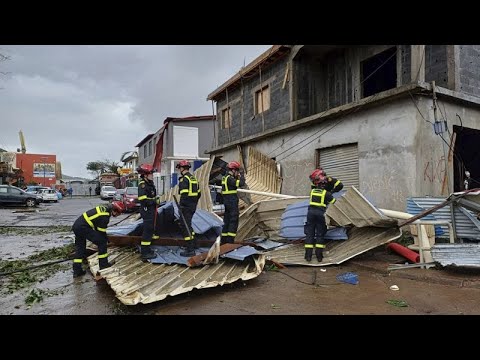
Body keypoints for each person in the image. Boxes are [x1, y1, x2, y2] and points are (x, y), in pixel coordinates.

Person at [72, 201, 126, 277]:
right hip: (83, 227)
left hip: (77, 226)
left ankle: (77, 271)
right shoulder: (105, 215)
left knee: (80, 248)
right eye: (119, 213)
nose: (118, 215)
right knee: (102, 243)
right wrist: (106, 239)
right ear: (115, 210)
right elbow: (101, 232)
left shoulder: (103, 209)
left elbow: (98, 228)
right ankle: (103, 265)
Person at [304, 169, 336, 262]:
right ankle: (319, 257)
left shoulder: (312, 191)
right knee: (320, 235)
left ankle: (308, 256)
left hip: (310, 214)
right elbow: (334, 202)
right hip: (320, 215)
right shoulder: (326, 193)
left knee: (309, 234)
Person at [176, 160, 201, 257]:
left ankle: (190, 249)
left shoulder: (184, 179)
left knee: (185, 226)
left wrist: (181, 206)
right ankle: (194, 244)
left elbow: (184, 195)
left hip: (185, 207)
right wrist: (193, 203)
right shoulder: (193, 178)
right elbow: (199, 194)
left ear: (182, 168)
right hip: (192, 206)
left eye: (179, 168)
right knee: (189, 225)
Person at [137, 164, 159, 260]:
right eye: (150, 174)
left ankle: (148, 249)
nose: (152, 175)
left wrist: (155, 200)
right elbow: (143, 199)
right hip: (147, 210)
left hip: (151, 210)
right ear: (145, 175)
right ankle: (144, 253)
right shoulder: (143, 185)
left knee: (150, 231)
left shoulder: (150, 184)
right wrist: (154, 201)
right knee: (147, 231)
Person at [221, 161, 245, 245]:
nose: (237, 173)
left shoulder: (225, 177)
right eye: (237, 171)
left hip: (227, 201)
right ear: (234, 170)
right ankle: (230, 242)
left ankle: (223, 241)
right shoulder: (230, 179)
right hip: (231, 201)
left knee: (227, 221)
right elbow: (241, 184)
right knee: (233, 221)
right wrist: (241, 175)